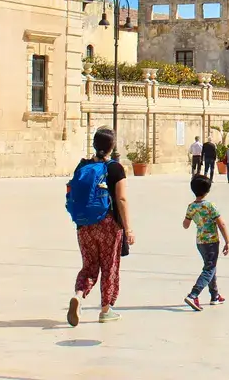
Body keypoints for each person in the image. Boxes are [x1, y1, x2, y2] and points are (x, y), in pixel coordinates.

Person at [66, 126, 133, 326]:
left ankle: (78, 295)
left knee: (89, 266)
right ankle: (105, 309)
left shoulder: (82, 166)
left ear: (94, 145)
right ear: (112, 147)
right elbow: (121, 199)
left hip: (84, 225)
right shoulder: (115, 168)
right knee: (109, 266)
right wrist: (128, 229)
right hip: (108, 224)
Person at [183, 174, 229, 311]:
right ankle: (193, 294)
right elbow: (222, 224)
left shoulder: (191, 207)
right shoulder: (210, 206)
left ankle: (214, 295)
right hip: (212, 241)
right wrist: (228, 241)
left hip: (200, 242)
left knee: (210, 266)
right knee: (209, 268)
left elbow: (185, 224)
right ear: (207, 190)